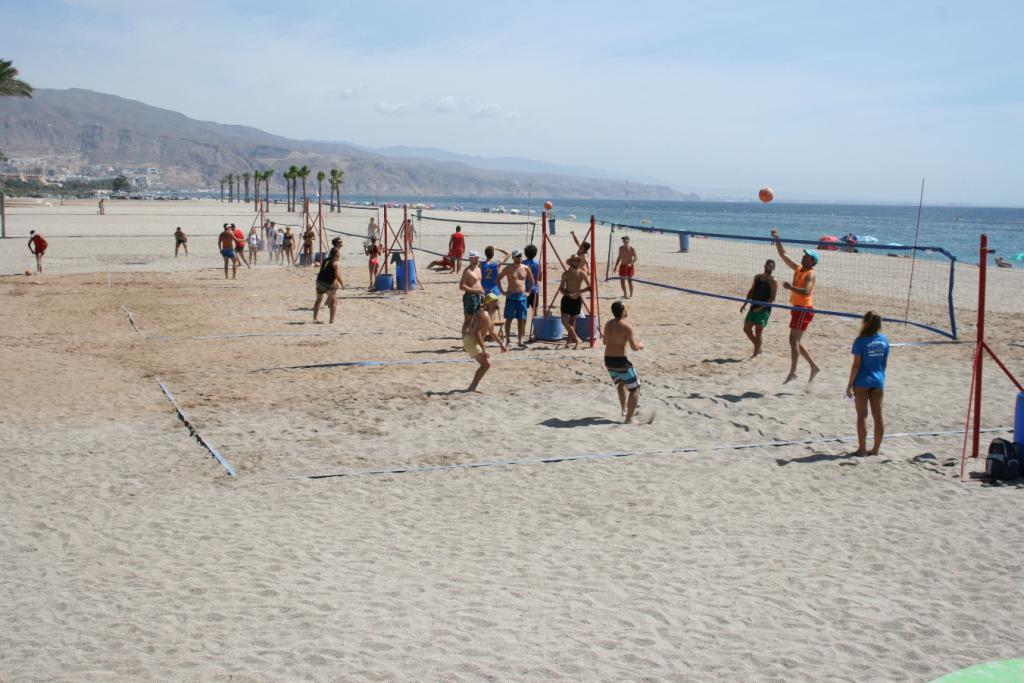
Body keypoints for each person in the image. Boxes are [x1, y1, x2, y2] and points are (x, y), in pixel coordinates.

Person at [772, 229, 820, 383]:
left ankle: (793, 372)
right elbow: (783, 255)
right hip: (797, 308)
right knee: (795, 341)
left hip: (804, 309)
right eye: (804, 255)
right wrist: (777, 238)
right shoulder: (799, 268)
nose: (803, 256)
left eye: (807, 256)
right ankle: (813, 367)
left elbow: (806, 292)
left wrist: (790, 288)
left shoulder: (810, 274)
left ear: (812, 261)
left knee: (794, 341)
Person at [846, 311, 890, 456]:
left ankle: (862, 449)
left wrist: (849, 384)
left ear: (865, 322)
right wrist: (881, 378)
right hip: (878, 380)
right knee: (878, 415)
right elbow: (884, 364)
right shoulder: (884, 340)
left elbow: (856, 365)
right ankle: (876, 450)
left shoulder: (860, 341)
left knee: (862, 415)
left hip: (862, 382)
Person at [603, 301, 646, 423]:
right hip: (620, 361)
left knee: (621, 383)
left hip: (608, 359)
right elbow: (634, 347)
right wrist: (641, 345)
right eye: (626, 309)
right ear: (622, 312)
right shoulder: (626, 326)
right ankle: (629, 419)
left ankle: (624, 410)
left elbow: (605, 342)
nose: (627, 311)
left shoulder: (608, 324)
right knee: (635, 389)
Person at [464, 292, 507, 392]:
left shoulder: (490, 316)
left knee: (485, 365)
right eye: (495, 300)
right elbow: (477, 333)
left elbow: (492, 332)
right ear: (489, 303)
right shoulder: (484, 315)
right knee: (486, 365)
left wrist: (501, 344)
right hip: (471, 341)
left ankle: (473, 387)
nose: (498, 302)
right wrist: (484, 349)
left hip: (472, 340)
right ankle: (472, 387)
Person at [740, 259, 778, 357]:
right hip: (753, 306)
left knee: (758, 331)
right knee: (746, 329)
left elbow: (772, 298)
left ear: (774, 268)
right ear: (764, 265)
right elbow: (751, 290)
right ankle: (758, 347)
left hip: (764, 309)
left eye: (771, 266)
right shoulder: (757, 277)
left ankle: (755, 353)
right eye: (768, 265)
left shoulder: (773, 281)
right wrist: (745, 303)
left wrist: (760, 308)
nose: (769, 267)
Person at [498, 249, 535, 347]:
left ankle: (520, 341)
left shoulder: (525, 268)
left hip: (522, 297)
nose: (519, 257)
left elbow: (531, 280)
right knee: (509, 319)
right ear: (513, 257)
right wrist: (502, 291)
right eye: (517, 256)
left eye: (520, 256)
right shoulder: (508, 268)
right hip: (511, 296)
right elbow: (498, 279)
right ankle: (508, 340)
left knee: (521, 319)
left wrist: (529, 291)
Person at [558, 254, 591, 349]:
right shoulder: (565, 274)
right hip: (567, 298)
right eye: (574, 260)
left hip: (576, 299)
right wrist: (567, 294)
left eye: (577, 261)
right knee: (564, 320)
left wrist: (579, 292)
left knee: (572, 322)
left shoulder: (582, 273)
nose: (576, 262)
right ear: (571, 262)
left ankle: (569, 340)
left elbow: (590, 287)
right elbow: (561, 288)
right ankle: (577, 338)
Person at [313, 246, 343, 324]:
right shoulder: (336, 263)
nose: (340, 254)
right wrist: (342, 284)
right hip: (328, 283)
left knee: (318, 300)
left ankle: (315, 319)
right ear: (336, 254)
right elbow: (337, 275)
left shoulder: (326, 260)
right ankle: (331, 320)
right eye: (339, 253)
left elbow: (325, 271)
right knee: (334, 301)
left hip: (319, 281)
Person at [459, 250, 484, 335]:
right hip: (470, 297)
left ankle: (471, 339)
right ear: (470, 259)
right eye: (474, 258)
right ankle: (465, 342)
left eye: (477, 258)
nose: (476, 260)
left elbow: (479, 282)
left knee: (477, 319)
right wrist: (475, 290)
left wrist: (481, 293)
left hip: (479, 296)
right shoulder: (467, 271)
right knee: (468, 320)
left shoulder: (478, 269)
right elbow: (461, 286)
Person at [522, 244, 542, 317]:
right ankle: (535, 328)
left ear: (525, 253)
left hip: (525, 289)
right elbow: (540, 278)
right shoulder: (537, 264)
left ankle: (523, 328)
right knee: (535, 312)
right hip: (535, 289)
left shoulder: (523, 263)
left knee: (524, 312)